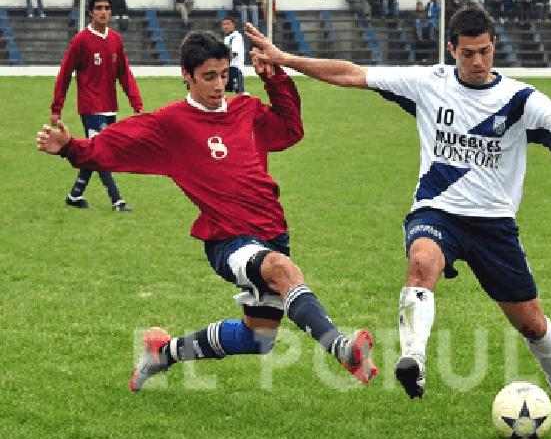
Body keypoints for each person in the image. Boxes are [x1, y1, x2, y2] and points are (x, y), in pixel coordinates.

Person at [244, 8, 551, 407]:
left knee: (531, 322)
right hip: (437, 212)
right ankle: (413, 358)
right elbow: (351, 73)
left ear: (494, 47)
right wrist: (284, 59)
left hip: (494, 225)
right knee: (421, 260)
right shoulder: (428, 83)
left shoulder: (519, 99)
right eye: (468, 53)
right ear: (451, 49)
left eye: (484, 52)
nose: (477, 62)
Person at [37, 30, 378, 392]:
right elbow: (114, 145)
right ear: (186, 75)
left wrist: (273, 77)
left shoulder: (246, 110)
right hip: (227, 238)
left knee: (257, 339)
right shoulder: (171, 123)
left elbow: (291, 129)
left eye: (224, 74)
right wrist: (69, 148)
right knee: (283, 270)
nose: (219, 85)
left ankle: (162, 353)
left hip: (272, 232)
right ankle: (343, 349)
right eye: (209, 77)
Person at [50, 0, 143, 212]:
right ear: (90, 12)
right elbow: (65, 73)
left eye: (107, 8)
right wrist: (57, 108)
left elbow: (124, 74)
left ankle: (75, 194)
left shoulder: (115, 40)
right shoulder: (81, 40)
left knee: (94, 151)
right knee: (102, 153)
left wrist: (136, 103)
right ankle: (117, 200)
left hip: (110, 107)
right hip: (91, 107)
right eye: (99, 8)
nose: (103, 12)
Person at [221, 16, 245, 93]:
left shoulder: (236, 37)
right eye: (224, 24)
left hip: (235, 68)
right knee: (221, 90)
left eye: (228, 24)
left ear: (233, 25)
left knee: (238, 92)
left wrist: (222, 60)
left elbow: (234, 53)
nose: (225, 26)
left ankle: (246, 103)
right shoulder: (227, 38)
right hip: (227, 68)